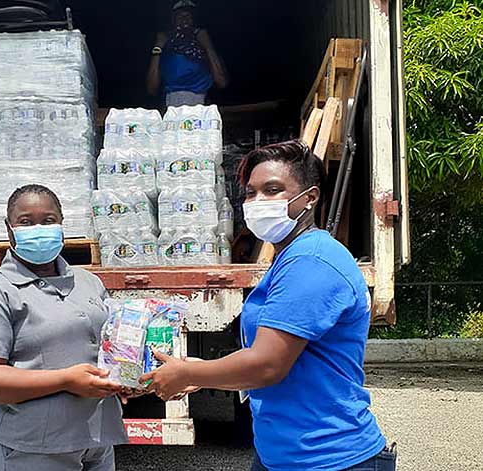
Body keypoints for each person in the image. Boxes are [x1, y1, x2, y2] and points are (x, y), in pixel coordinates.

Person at [139, 141, 397, 470]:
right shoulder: (288, 258)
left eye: (272, 190)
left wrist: (189, 371)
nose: (258, 201)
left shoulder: (313, 260)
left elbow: (267, 365)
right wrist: (203, 374)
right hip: (280, 454)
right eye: (251, 193)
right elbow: (263, 360)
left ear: (310, 198)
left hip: (330, 457)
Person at [0, 184, 128, 471]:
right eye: (26, 222)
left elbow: (106, 350)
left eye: (48, 220)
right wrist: (64, 380)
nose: (38, 229)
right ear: (9, 230)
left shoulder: (87, 283)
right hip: (29, 449)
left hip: (95, 442)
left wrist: (128, 377)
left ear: (61, 225)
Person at [146, 0, 228, 107]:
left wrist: (208, 46)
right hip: (171, 109)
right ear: (173, 21)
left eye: (188, 16)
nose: (184, 20)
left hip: (201, 108)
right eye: (180, 17)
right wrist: (158, 47)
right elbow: (151, 89)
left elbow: (222, 82)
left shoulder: (204, 52)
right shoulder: (166, 51)